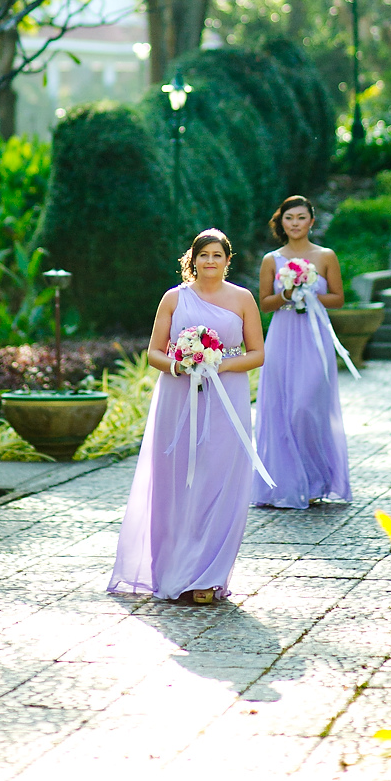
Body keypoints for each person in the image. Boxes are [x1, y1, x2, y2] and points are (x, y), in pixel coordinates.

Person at [108, 228, 265, 605]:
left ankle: (208, 575)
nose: (210, 261)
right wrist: (181, 365)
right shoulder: (174, 298)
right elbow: (154, 352)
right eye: (203, 254)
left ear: (228, 260)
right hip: (178, 397)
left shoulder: (243, 298)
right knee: (177, 480)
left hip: (226, 396)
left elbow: (257, 353)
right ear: (192, 260)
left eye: (217, 255)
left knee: (218, 480)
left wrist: (218, 364)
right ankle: (173, 570)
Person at [252, 194, 351, 511]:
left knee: (305, 407)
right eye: (289, 218)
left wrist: (309, 293)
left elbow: (338, 298)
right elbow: (265, 304)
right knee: (281, 409)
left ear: (311, 221)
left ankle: (316, 480)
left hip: (314, 338)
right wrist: (288, 293)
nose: (295, 223)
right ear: (281, 222)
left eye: (301, 217)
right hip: (282, 338)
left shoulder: (325, 256)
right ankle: (286, 484)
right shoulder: (272, 259)